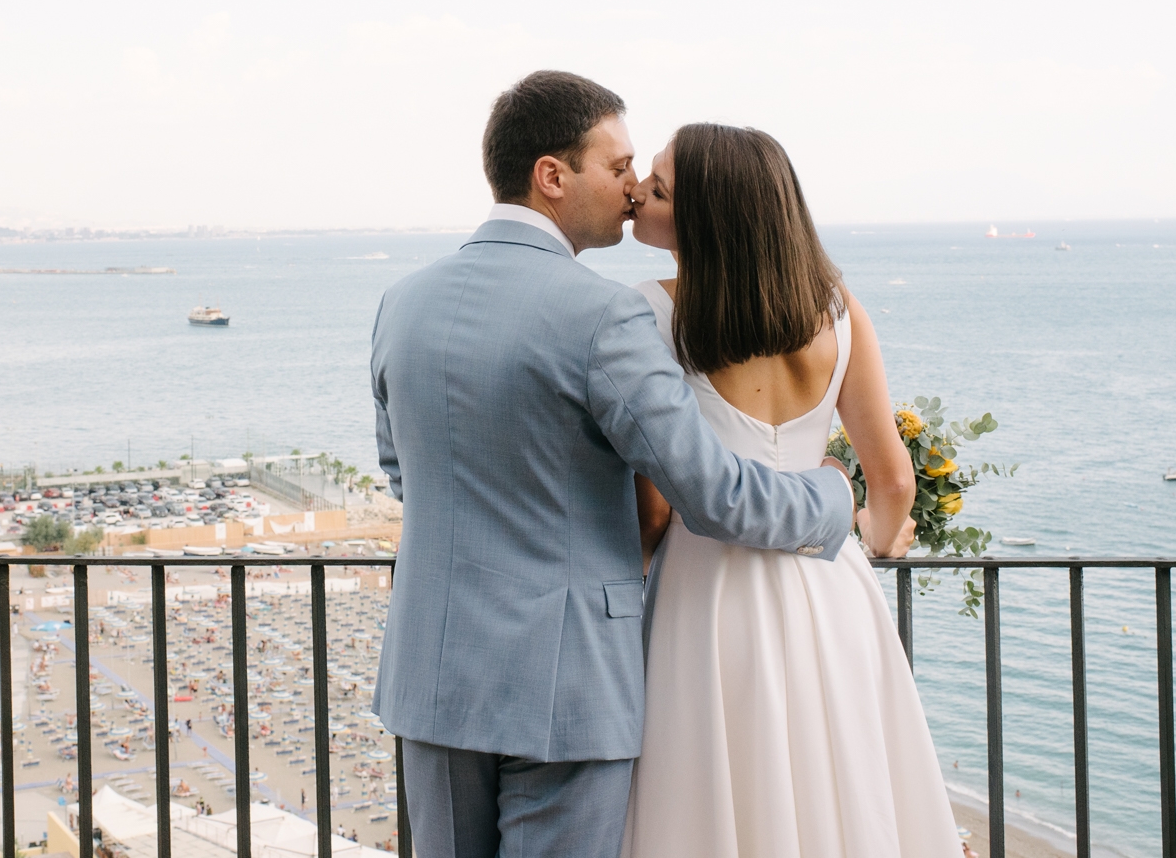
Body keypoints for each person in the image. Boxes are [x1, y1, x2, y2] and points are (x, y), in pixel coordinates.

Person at [372, 72, 854, 858]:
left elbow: (403, 473)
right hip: (566, 685)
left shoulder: (403, 300)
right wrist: (833, 496)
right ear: (552, 175)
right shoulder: (603, 315)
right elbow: (711, 492)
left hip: (433, 673)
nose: (634, 189)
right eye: (619, 166)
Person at [620, 123, 958, 857]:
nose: (637, 192)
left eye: (659, 185)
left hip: (705, 591)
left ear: (707, 215)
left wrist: (640, 566)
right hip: (829, 582)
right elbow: (893, 476)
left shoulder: (647, 310)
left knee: (716, 788)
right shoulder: (837, 309)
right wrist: (874, 537)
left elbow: (653, 504)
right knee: (838, 776)